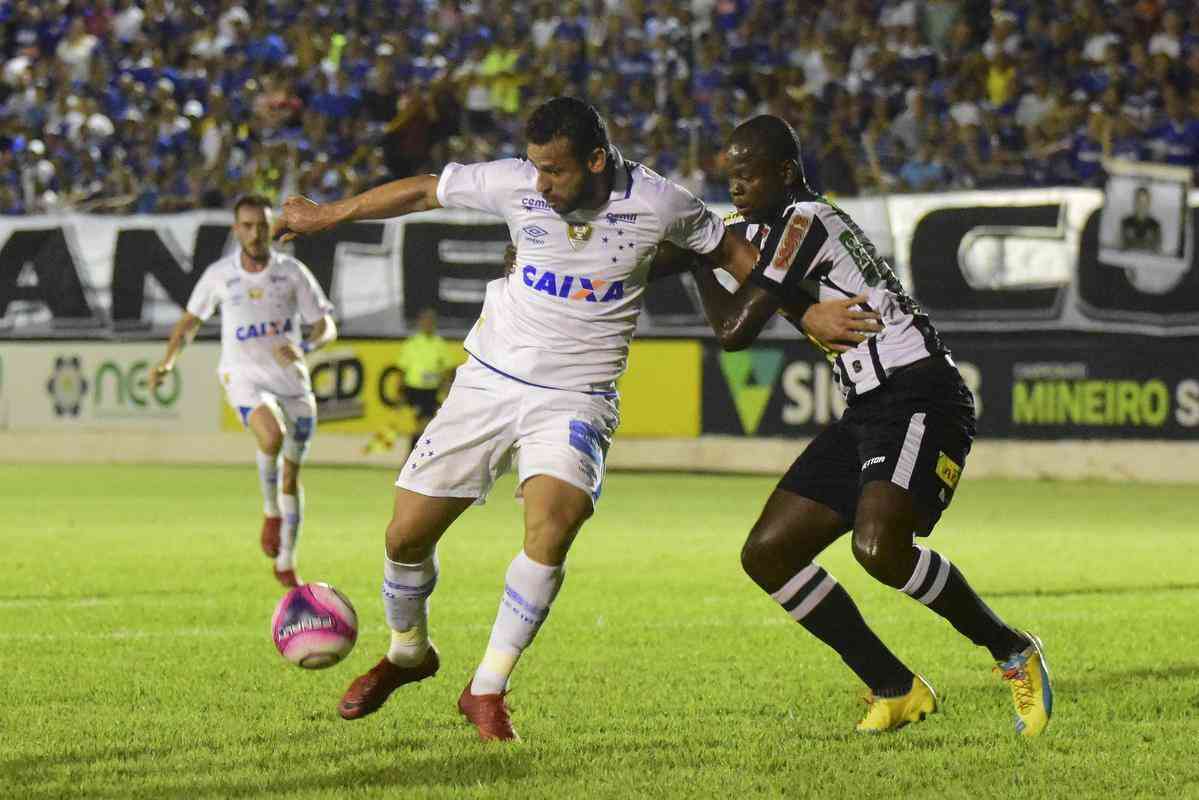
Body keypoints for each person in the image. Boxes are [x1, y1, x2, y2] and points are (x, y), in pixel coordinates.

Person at [274, 96, 875, 741]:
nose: (542, 184)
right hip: (488, 380)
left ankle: (486, 689)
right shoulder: (515, 184)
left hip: (577, 394)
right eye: (535, 168)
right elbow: (425, 190)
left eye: (555, 171)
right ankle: (408, 655)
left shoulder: (659, 202)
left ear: (595, 160)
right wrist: (325, 215)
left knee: (555, 523)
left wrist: (809, 315)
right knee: (405, 537)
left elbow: (736, 257)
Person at [669, 115, 1053, 736]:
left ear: (786, 173)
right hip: (869, 406)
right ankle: (895, 688)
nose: (734, 186)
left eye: (748, 174)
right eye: (729, 175)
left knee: (878, 549)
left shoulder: (804, 220)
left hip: (920, 394)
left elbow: (735, 330)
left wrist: (693, 260)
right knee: (769, 554)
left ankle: (1012, 648)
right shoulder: (761, 228)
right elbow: (699, 259)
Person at [151, 194, 337, 588]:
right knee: (272, 435)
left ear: (273, 229)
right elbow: (188, 323)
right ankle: (271, 511)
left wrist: (306, 347)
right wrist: (167, 361)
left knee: (292, 475)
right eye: (248, 226)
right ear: (237, 230)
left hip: (291, 380)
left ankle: (287, 561)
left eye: (262, 226)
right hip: (242, 376)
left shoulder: (292, 272)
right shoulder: (220, 275)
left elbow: (325, 325)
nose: (255, 233)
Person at [364, 307, 456, 455]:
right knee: (412, 424)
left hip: (431, 391)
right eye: (425, 321)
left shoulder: (440, 344)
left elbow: (448, 369)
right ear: (420, 323)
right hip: (413, 389)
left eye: (430, 321)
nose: (428, 324)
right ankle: (409, 455)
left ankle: (414, 456)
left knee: (424, 426)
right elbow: (402, 369)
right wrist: (399, 389)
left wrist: (445, 388)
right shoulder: (412, 343)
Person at [1120, 186, 1163, 252]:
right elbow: (1120, 246)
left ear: (1149, 203)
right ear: (1135, 202)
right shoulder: (1125, 222)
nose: (1142, 205)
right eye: (1139, 201)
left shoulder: (1155, 225)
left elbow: (1157, 249)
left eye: (1144, 202)